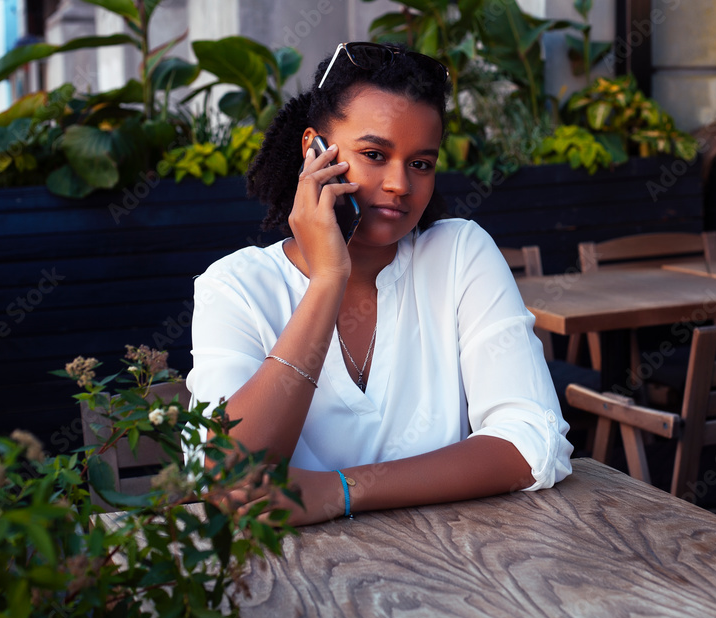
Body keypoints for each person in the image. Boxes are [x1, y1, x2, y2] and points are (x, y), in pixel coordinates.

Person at [187, 42, 572, 526]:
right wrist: (328, 280)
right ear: (314, 150)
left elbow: (533, 443)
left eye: (421, 163)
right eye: (374, 154)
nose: (399, 184)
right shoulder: (236, 287)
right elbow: (227, 476)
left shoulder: (458, 255)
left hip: (464, 566)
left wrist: (337, 491)